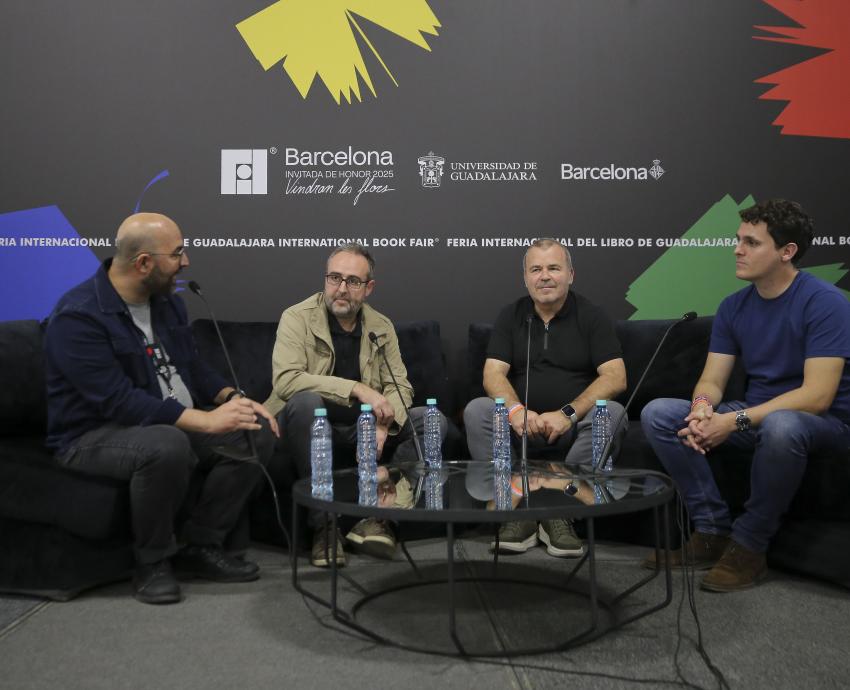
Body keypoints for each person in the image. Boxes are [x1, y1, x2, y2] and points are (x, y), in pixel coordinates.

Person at [45, 213, 278, 605]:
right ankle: (152, 561)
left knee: (256, 428)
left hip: (166, 425)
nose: (185, 262)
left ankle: (201, 545)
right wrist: (203, 420)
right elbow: (117, 400)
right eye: (177, 253)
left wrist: (230, 398)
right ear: (143, 264)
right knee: (166, 444)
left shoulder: (168, 305)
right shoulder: (78, 316)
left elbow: (193, 367)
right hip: (90, 436)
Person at [641, 199, 850, 592]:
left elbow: (817, 396)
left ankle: (750, 547)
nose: (737, 250)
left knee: (782, 425)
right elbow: (712, 381)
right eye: (738, 240)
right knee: (659, 413)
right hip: (757, 415)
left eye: (752, 243)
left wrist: (732, 421)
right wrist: (703, 409)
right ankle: (710, 532)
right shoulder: (733, 306)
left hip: (824, 424)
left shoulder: (826, 303)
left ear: (787, 252)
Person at [265, 243, 447, 567]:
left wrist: (383, 425)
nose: (341, 289)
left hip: (362, 429)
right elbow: (287, 381)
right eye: (334, 278)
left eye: (353, 281)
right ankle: (325, 528)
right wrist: (358, 389)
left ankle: (380, 518)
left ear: (368, 288)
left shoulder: (381, 327)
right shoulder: (297, 318)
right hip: (311, 426)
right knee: (307, 404)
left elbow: (399, 385)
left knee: (430, 421)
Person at [464, 238, 627, 557]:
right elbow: (492, 374)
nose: (545, 276)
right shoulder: (511, 315)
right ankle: (512, 512)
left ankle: (560, 512)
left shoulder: (592, 316)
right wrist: (515, 411)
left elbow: (616, 376)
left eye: (554, 268)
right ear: (525, 277)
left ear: (571, 274)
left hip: (573, 429)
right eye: (536, 269)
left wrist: (568, 414)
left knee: (614, 412)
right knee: (478, 411)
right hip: (520, 428)